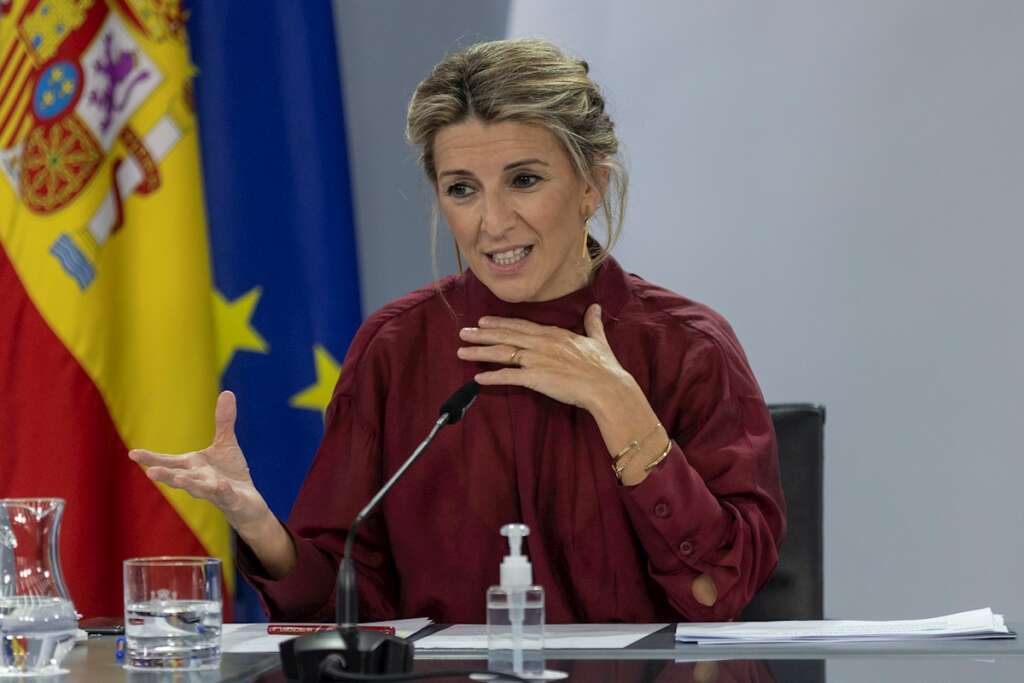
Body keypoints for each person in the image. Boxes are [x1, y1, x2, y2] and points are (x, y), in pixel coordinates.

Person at [130, 39, 785, 624]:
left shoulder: (690, 346)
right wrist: (256, 522)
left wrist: (620, 405)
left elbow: (714, 592)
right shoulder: (395, 347)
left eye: (524, 180)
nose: (491, 221)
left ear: (592, 185)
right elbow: (342, 606)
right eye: (462, 188)